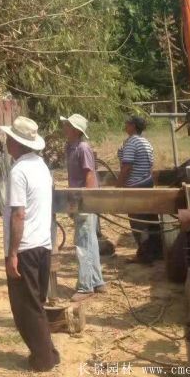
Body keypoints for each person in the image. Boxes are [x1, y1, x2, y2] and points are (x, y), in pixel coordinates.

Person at [0, 115, 60, 372]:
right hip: (42, 245)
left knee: (26, 308)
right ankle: (50, 353)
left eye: (9, 138)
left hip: (25, 248)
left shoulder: (19, 171)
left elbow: (19, 214)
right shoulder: (41, 166)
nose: (6, 142)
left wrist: (12, 253)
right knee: (35, 304)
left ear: (16, 143)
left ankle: (43, 359)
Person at [61, 113, 106, 301]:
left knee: (83, 242)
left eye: (67, 125)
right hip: (77, 199)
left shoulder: (83, 148)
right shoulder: (70, 147)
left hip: (84, 201)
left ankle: (86, 286)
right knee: (89, 241)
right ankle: (97, 281)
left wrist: (86, 201)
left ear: (75, 130)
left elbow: (89, 175)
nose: (64, 128)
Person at [117, 114, 162, 264]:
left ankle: (144, 255)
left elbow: (127, 167)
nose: (125, 125)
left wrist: (118, 187)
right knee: (150, 218)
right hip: (146, 183)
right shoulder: (146, 142)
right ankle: (157, 252)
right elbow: (150, 167)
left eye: (128, 123)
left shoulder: (132, 142)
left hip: (135, 186)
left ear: (133, 126)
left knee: (137, 221)